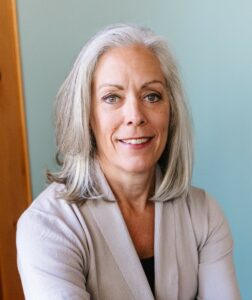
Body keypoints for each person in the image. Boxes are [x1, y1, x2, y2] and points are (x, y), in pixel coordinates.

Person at [16, 24, 241, 300]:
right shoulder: (47, 226)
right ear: (86, 114)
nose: (135, 115)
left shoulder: (204, 213)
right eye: (112, 97)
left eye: (151, 96)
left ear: (171, 111)